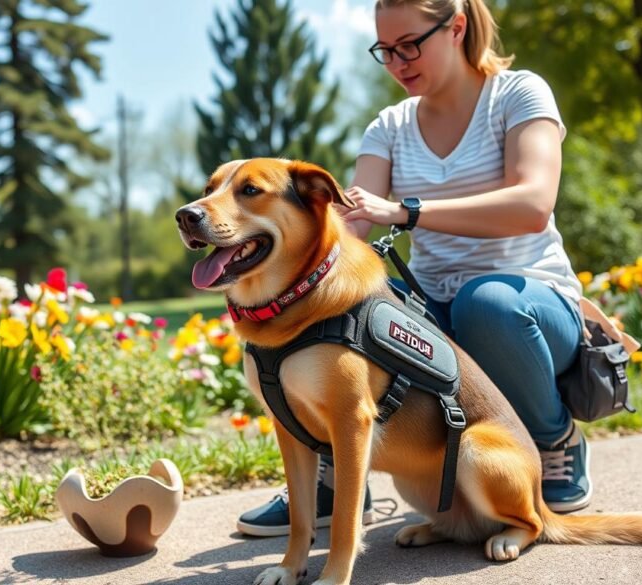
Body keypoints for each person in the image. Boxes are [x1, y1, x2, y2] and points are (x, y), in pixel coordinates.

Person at [237, 0, 589, 538]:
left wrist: (407, 211)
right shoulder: (390, 125)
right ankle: (330, 471)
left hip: (530, 306)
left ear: (456, 27)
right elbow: (346, 227)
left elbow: (532, 204)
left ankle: (554, 437)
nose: (397, 62)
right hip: (436, 312)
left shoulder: (518, 94)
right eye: (385, 50)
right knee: (347, 313)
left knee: (485, 303)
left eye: (409, 45)